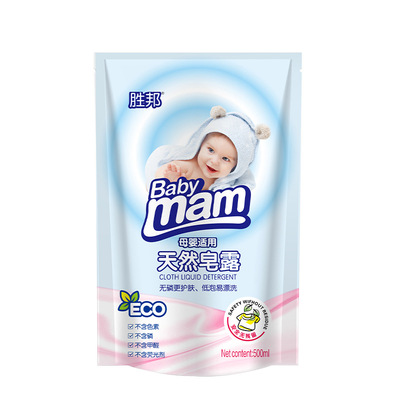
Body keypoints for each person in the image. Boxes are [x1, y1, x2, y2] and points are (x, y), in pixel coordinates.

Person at [146, 106, 270, 191]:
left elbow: (246, 186)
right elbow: (161, 170)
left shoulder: (226, 181)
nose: (214, 161)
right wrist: (169, 179)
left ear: (237, 167)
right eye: (211, 150)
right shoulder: (189, 165)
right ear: (200, 144)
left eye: (225, 159)